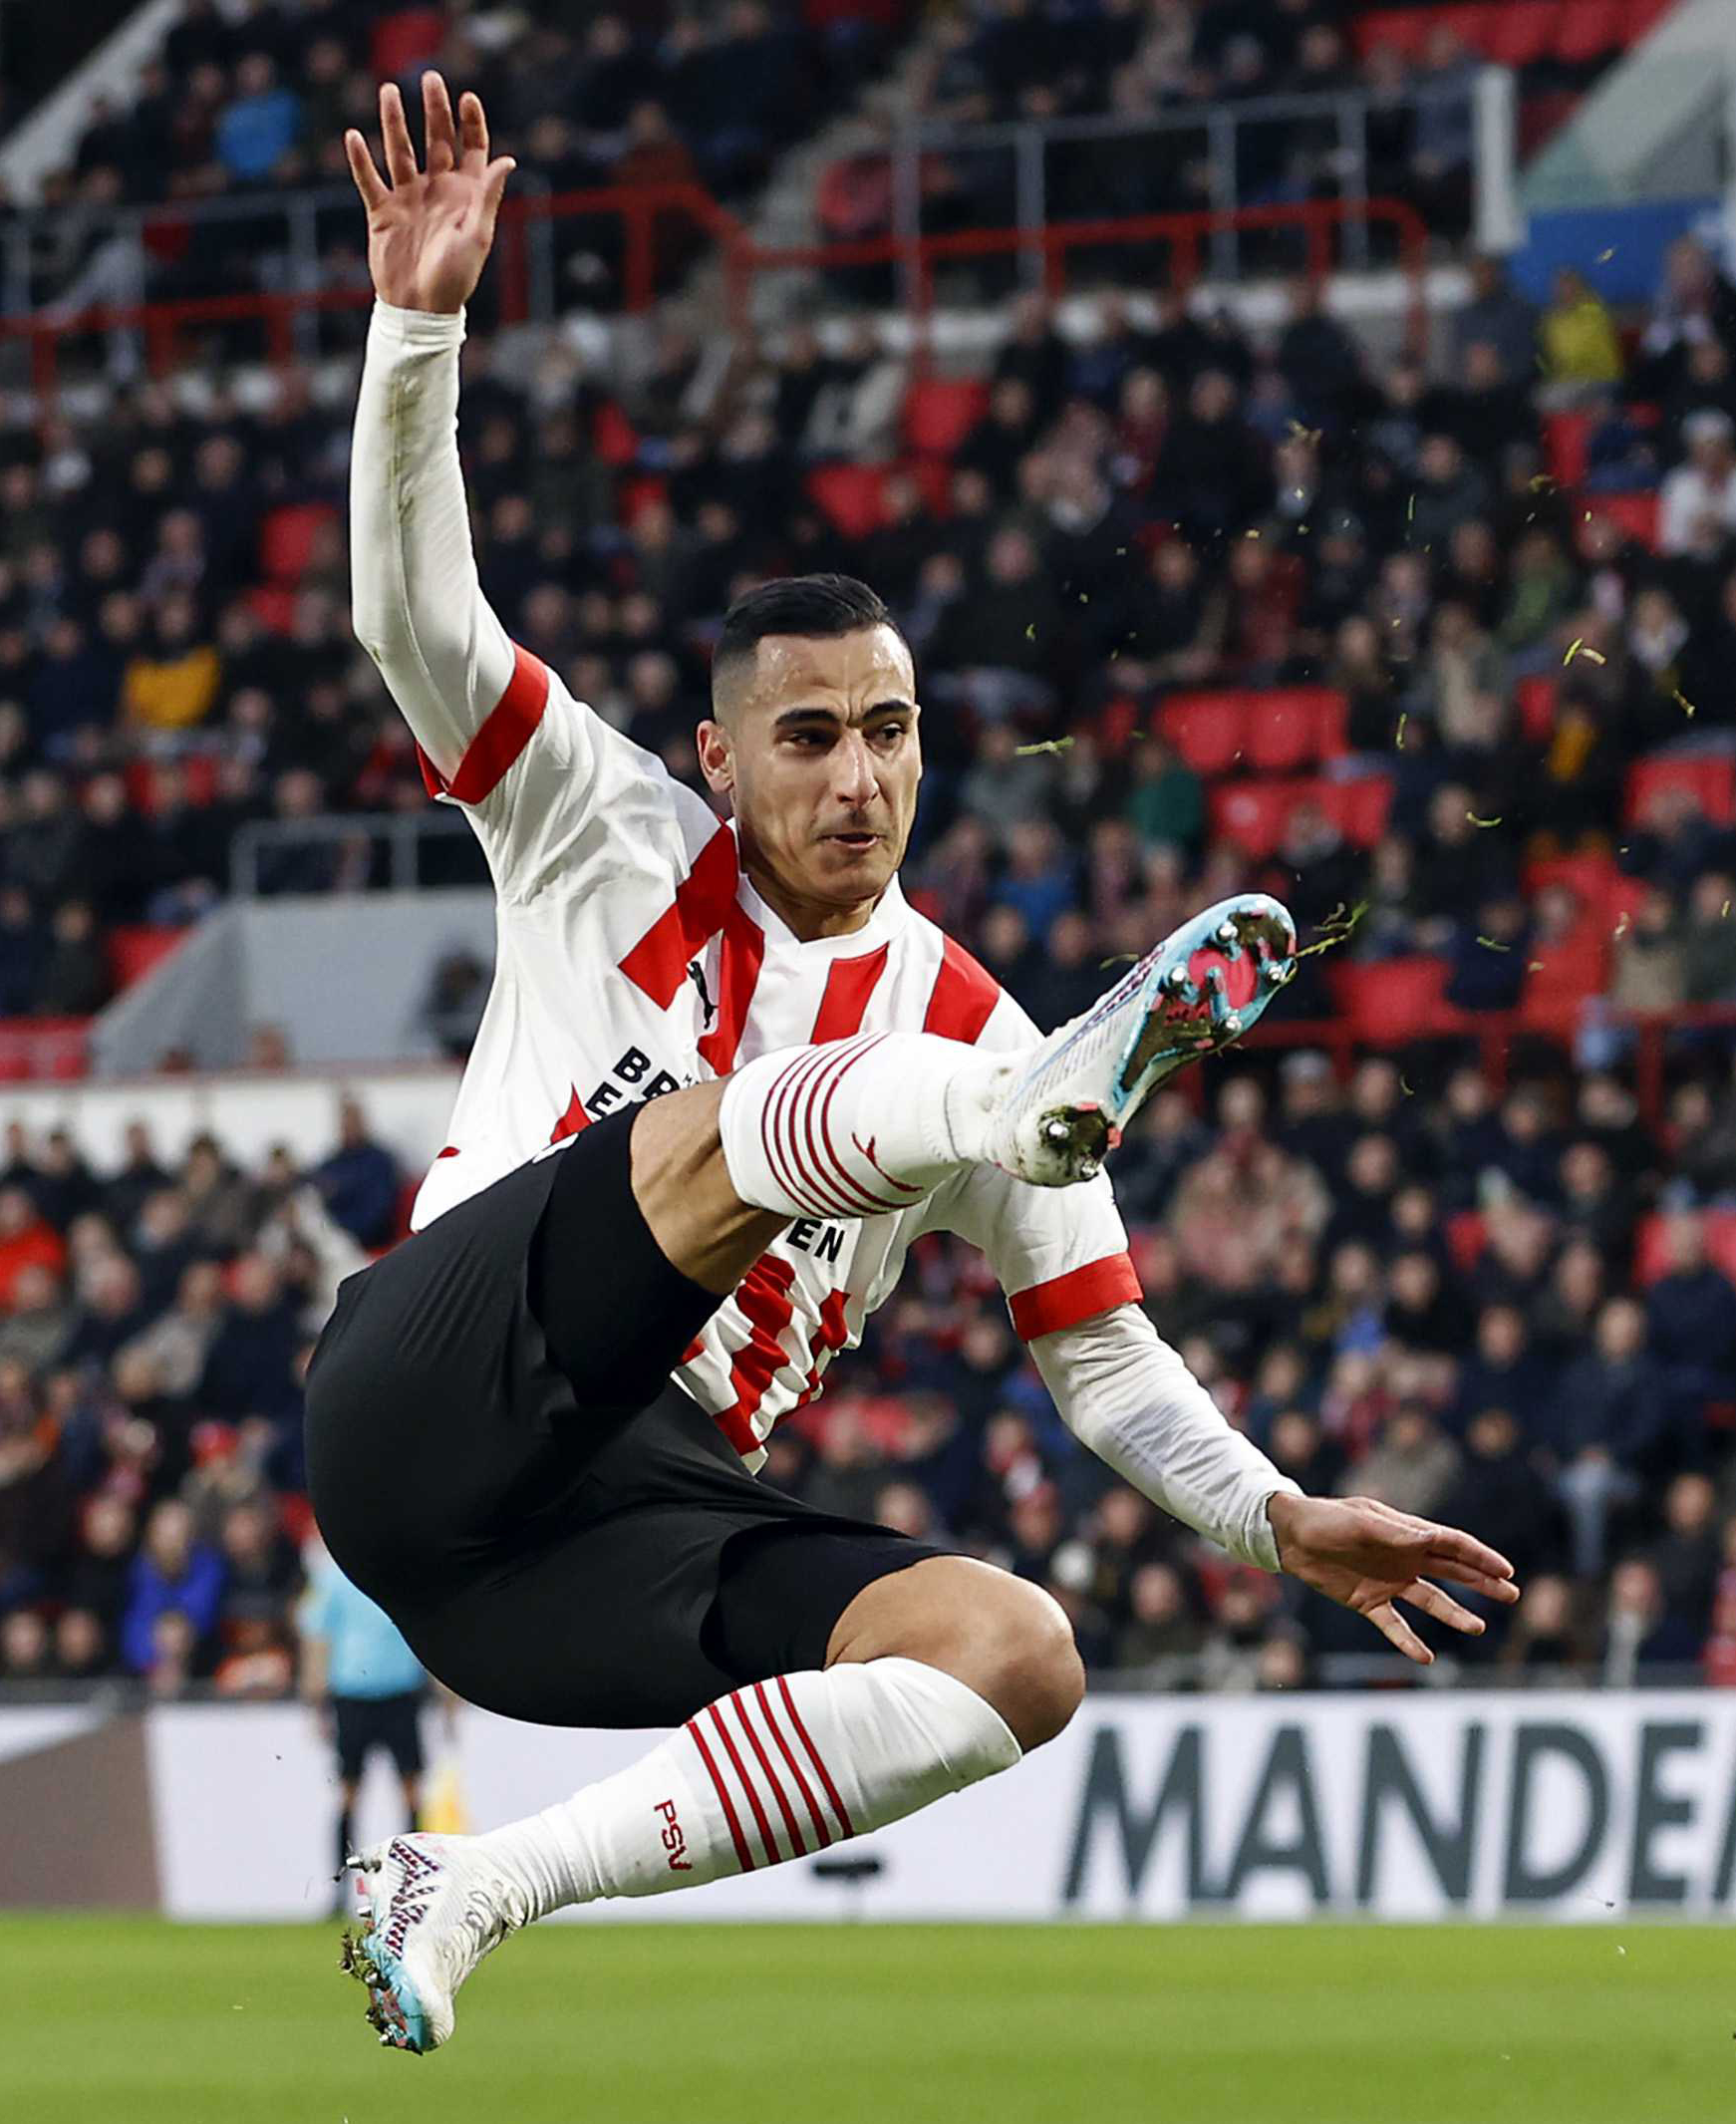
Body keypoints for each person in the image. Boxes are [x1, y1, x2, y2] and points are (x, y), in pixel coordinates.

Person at [312, 77, 1515, 2056]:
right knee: (718, 1147)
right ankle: (1021, 1127)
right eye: (806, 739)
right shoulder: (586, 821)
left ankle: (473, 1884)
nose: (855, 773)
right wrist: (416, 326)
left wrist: (1275, 1518)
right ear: (718, 756)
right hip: (425, 1391)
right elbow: (404, 611)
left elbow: (1102, 1359)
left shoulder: (958, 1001)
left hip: (589, 1550)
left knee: (1009, 1650)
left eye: (886, 729)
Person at [298, 1537, 435, 1906]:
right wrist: (316, 1702)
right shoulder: (336, 1577)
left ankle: (412, 1883)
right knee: (349, 1794)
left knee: (408, 1790)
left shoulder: (401, 1575)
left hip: (399, 1694)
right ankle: (340, 1888)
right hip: (354, 1697)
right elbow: (317, 1637)